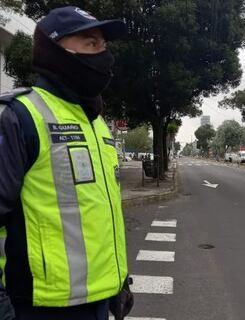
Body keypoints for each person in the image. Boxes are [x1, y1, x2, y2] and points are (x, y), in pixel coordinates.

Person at [0, 6, 133, 320]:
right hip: (41, 307)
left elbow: (99, 214)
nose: (103, 55)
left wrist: (118, 284)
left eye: (104, 45)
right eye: (91, 43)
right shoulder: (20, 117)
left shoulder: (98, 125)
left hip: (101, 303)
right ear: (56, 52)